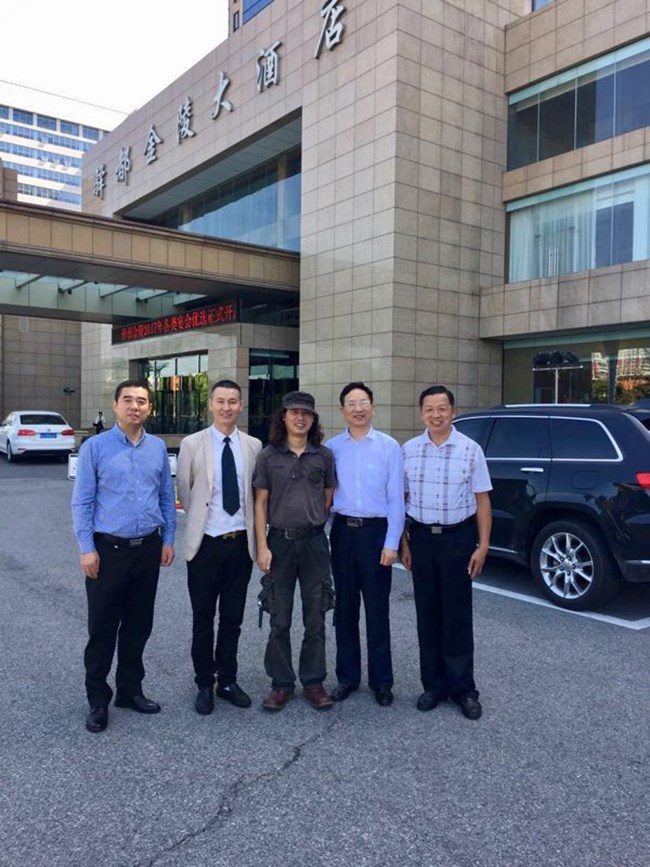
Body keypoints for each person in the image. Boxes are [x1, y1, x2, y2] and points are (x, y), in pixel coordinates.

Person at [71, 379, 176, 734]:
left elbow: (166, 497)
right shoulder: (95, 447)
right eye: (128, 400)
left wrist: (168, 539)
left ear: (150, 408)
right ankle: (98, 700)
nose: (135, 406)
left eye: (142, 401)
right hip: (107, 551)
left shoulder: (157, 448)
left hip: (147, 549)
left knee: (138, 626)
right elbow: (82, 501)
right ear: (115, 406)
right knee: (102, 629)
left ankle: (130, 691)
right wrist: (87, 548)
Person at [400, 385, 492, 721]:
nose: (436, 415)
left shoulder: (470, 450)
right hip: (422, 539)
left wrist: (483, 546)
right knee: (427, 614)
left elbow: (483, 501)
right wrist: (404, 543)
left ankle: (463, 689)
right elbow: (401, 500)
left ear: (453, 412)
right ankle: (434, 686)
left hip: (458, 540)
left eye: (442, 408)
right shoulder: (408, 450)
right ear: (421, 413)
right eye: (429, 409)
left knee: (457, 615)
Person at [176, 379, 262, 715]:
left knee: (232, 618)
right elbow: (185, 491)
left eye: (233, 401)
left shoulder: (253, 445)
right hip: (205, 546)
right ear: (210, 405)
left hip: (240, 545)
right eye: (221, 401)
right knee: (203, 618)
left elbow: (255, 494)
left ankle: (227, 680)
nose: (227, 407)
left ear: (241, 405)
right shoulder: (192, 444)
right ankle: (204, 683)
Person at [253, 391, 336, 711]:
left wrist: (312, 523)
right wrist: (262, 546)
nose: (300, 418)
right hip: (279, 544)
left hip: (314, 544)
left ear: (313, 419)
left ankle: (313, 682)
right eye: (294, 412)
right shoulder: (268, 456)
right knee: (280, 617)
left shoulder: (324, 456)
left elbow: (328, 497)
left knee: (316, 617)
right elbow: (260, 503)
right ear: (284, 417)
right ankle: (282, 684)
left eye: (306, 413)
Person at [325, 382, 404, 707]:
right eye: (351, 404)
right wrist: (329, 535)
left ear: (372, 406)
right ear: (342, 410)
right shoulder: (331, 449)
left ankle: (381, 681)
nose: (358, 409)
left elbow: (396, 498)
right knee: (345, 610)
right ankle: (347, 677)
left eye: (363, 402)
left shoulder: (389, 447)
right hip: (343, 532)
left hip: (375, 534)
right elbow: (326, 497)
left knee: (377, 610)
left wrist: (391, 543)